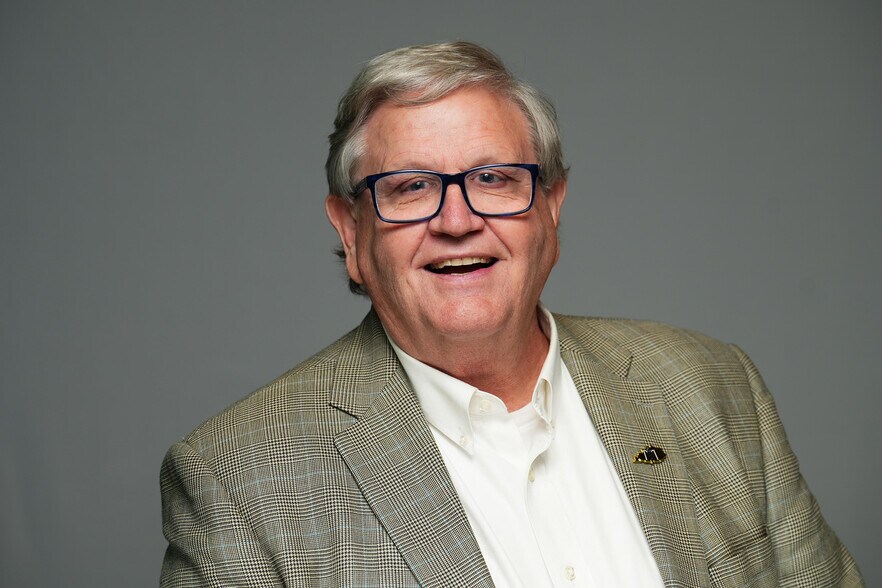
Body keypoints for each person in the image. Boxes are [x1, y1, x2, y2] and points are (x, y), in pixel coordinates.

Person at [159, 41, 863, 587]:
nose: (457, 221)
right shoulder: (238, 480)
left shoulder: (711, 384)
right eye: (410, 187)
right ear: (350, 232)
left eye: (494, 178)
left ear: (552, 208)